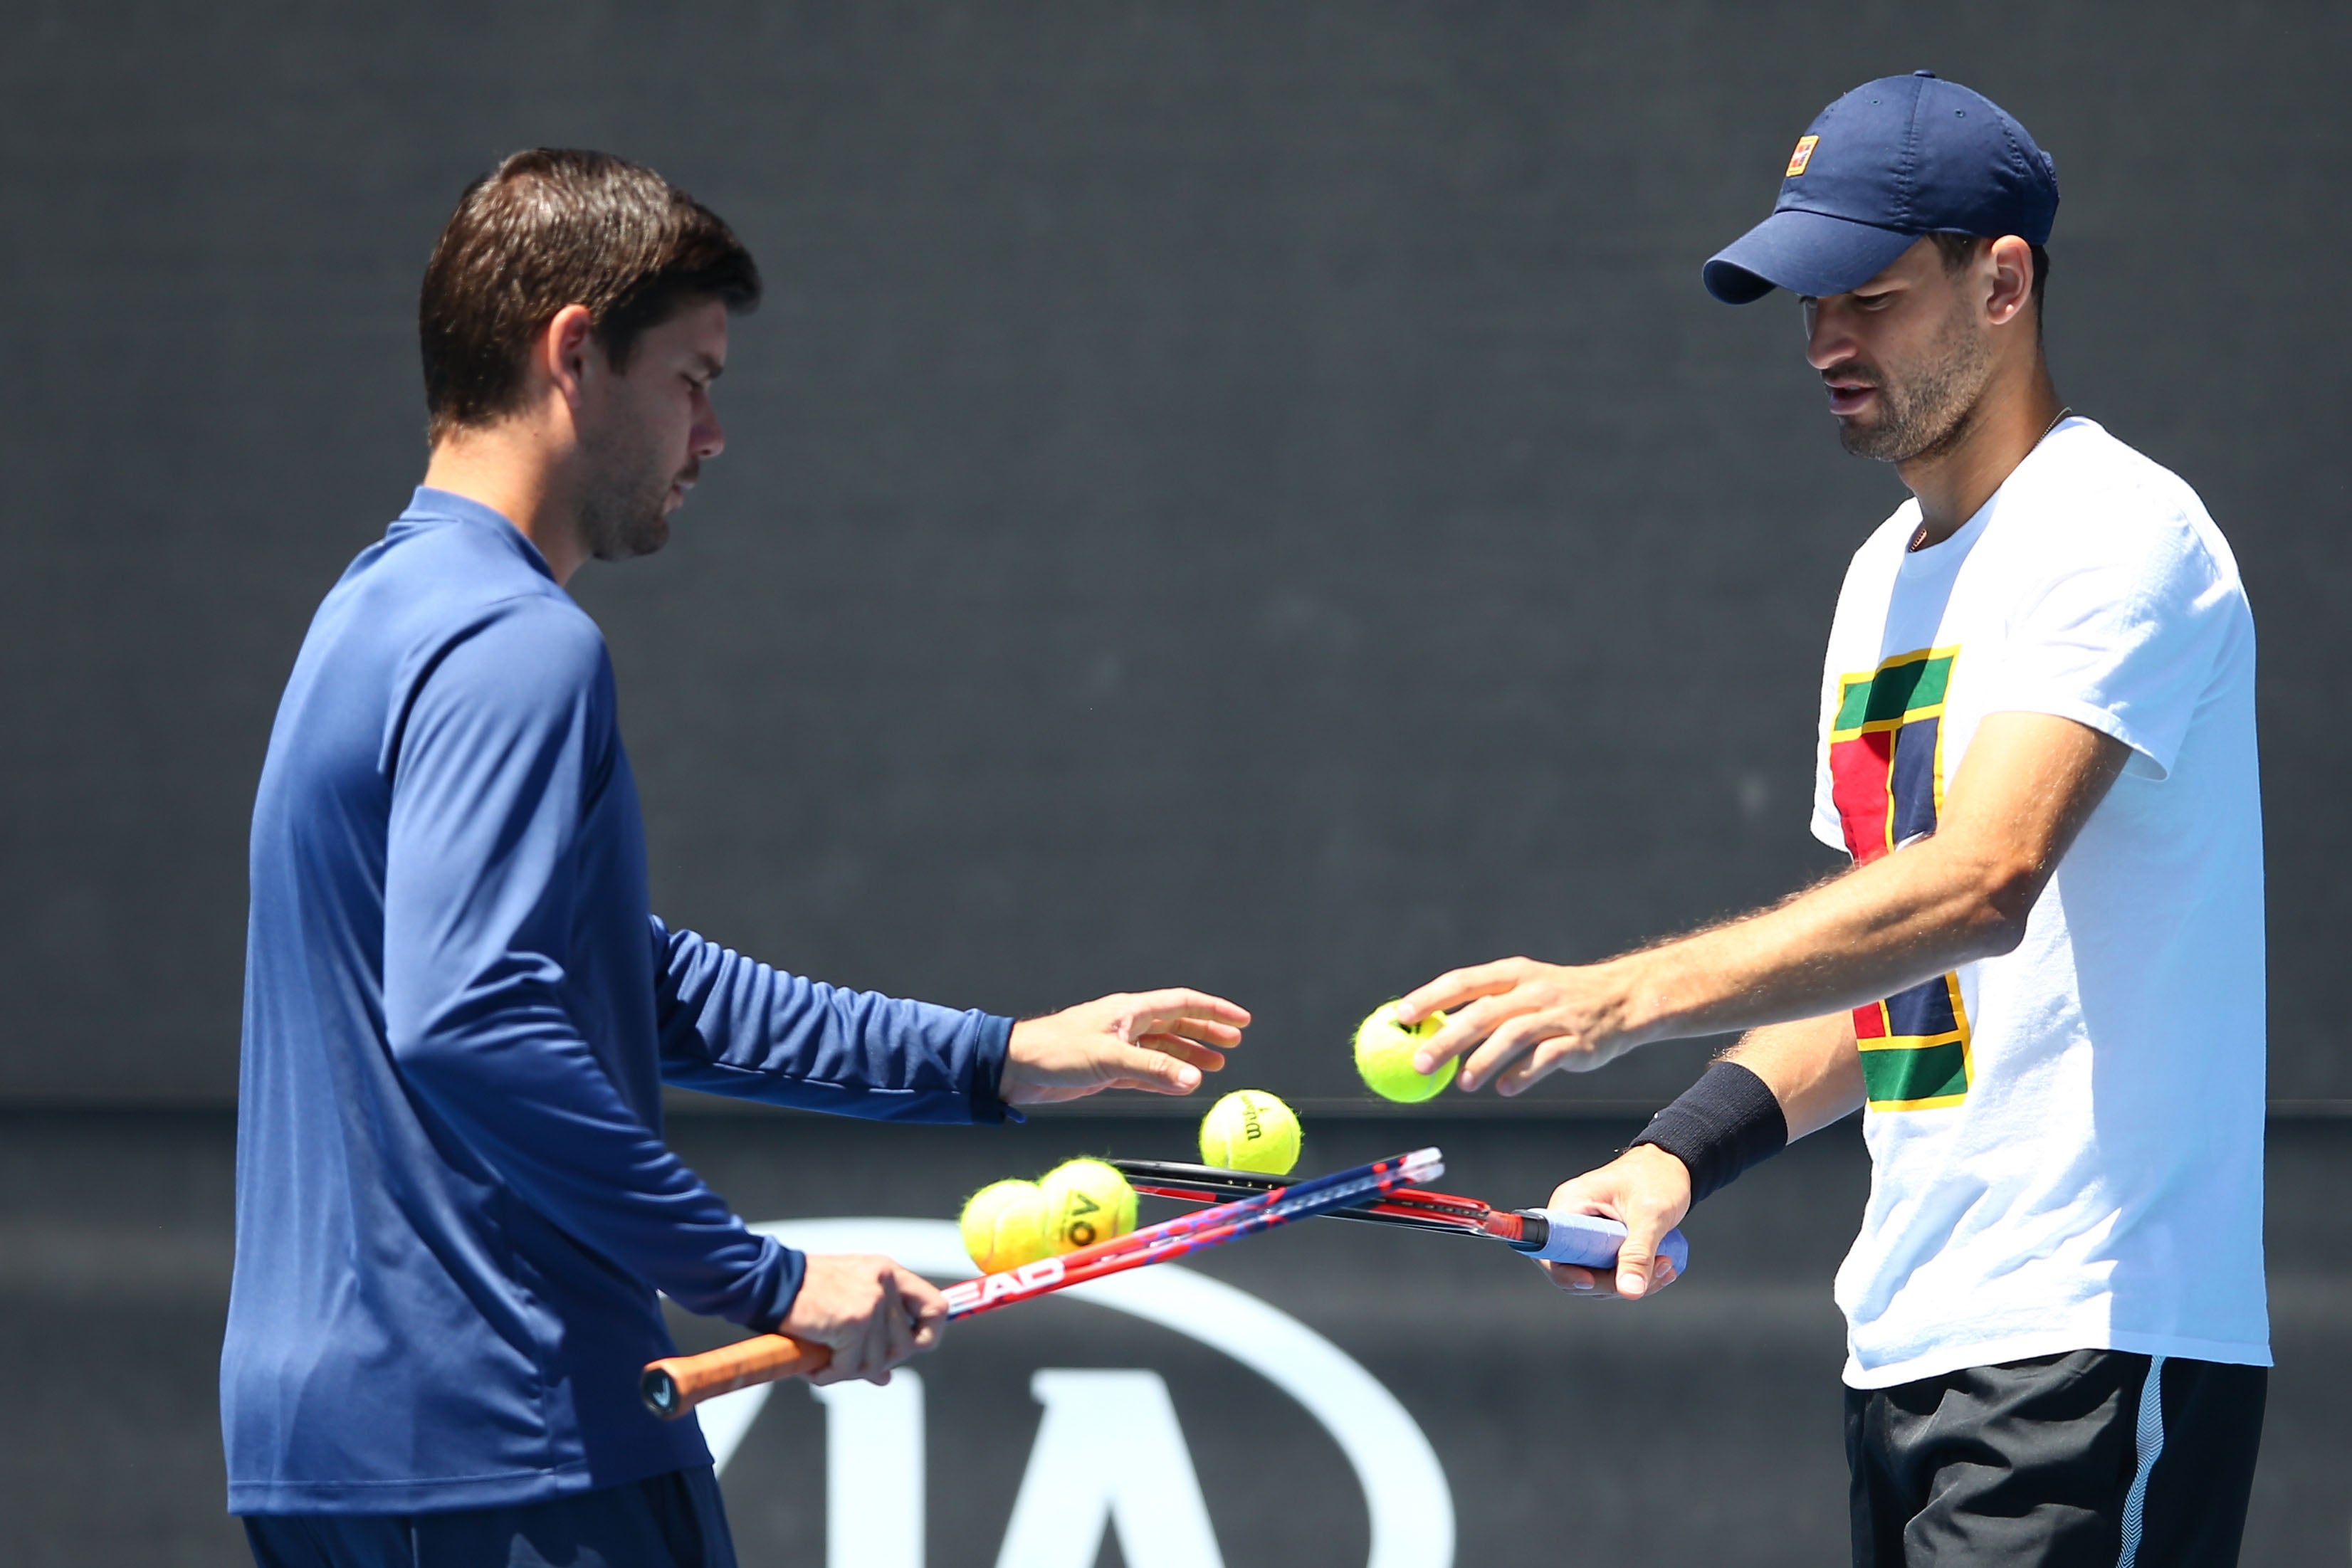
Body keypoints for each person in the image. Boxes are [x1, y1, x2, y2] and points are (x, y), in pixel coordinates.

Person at [223, 148, 1249, 1568]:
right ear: (574, 352)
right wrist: (759, 1276)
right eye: (691, 381)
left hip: (327, 1459)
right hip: (518, 1446)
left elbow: (620, 981)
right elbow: (469, 1017)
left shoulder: (370, 614)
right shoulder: (518, 646)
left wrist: (996, 1059)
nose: (710, 437)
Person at [1395, 74, 2267, 1565]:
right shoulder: (1881, 578)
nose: (1823, 344)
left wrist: (1620, 997)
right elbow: (1891, 976)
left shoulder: (2117, 531)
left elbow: (1977, 885)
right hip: (1905, 1350)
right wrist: (1678, 1153)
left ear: (2002, 284)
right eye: (1809, 304)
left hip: (2094, 1340)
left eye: (1869, 298)